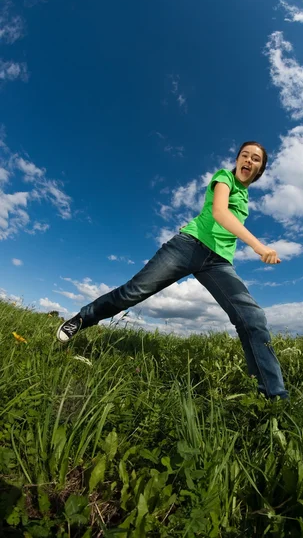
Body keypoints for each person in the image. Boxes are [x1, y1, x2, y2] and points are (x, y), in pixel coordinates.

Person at [57, 142, 289, 400]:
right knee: (133, 292)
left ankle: (274, 397)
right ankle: (82, 319)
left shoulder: (245, 197)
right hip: (187, 247)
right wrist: (258, 246)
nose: (248, 160)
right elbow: (220, 213)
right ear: (236, 161)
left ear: (260, 169)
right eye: (244, 155)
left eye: (255, 159)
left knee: (253, 318)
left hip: (218, 262)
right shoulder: (224, 178)